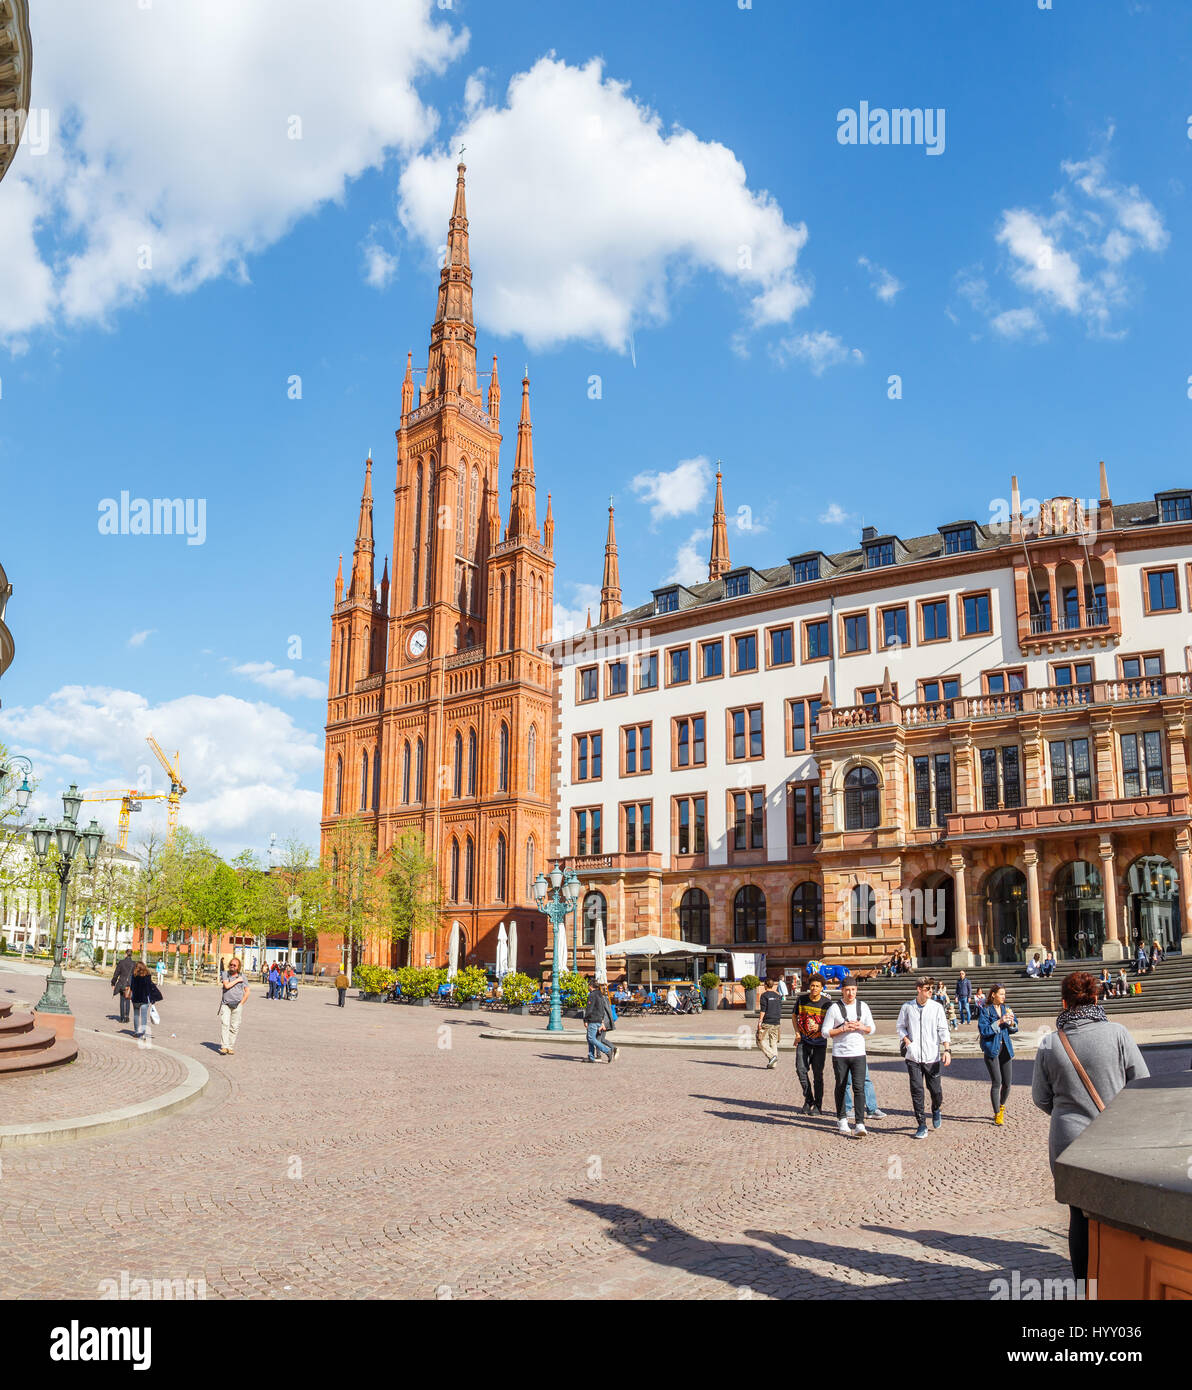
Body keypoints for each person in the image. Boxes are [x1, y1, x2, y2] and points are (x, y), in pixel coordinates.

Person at [1032, 970, 1149, 1283]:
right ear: (1096, 998)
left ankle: (1086, 1286)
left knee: (1078, 1214)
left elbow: (1040, 1098)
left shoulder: (1048, 1042)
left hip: (1067, 1141)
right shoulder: (1119, 1033)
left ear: (1063, 1002)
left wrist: (1067, 1114)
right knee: (1116, 1214)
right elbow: (1142, 1085)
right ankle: (1120, 1279)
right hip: (1113, 1138)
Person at [898, 976, 952, 1139]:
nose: (931, 991)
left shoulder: (936, 1007)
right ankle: (921, 1124)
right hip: (913, 1056)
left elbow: (943, 1029)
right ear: (919, 989)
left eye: (932, 989)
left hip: (932, 1057)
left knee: (936, 1091)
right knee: (917, 1090)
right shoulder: (907, 1007)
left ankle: (936, 1108)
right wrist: (906, 1039)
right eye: (927, 989)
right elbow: (900, 1026)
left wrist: (947, 1050)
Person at [822, 978, 876, 1137]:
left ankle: (860, 1123)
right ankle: (842, 1119)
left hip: (859, 1054)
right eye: (847, 990)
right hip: (840, 1054)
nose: (850, 993)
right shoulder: (834, 1008)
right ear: (842, 990)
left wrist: (862, 1027)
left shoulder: (863, 1006)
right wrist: (843, 1029)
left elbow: (872, 1028)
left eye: (853, 989)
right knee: (841, 1086)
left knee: (859, 1088)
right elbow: (825, 1032)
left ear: (856, 990)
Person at [978, 983, 1018, 1124]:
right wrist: (1000, 1021)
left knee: (1007, 1083)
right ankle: (996, 1114)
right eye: (1001, 994)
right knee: (997, 1082)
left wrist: (1012, 1022)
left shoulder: (1006, 1009)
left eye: (1004, 994)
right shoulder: (986, 1011)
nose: (1003, 997)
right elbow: (984, 1030)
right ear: (993, 994)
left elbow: (1015, 1028)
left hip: (1006, 1049)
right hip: (992, 1050)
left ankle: (1001, 1107)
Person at [792, 973, 831, 1113]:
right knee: (800, 1070)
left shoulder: (827, 1003)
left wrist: (819, 1028)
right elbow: (794, 1015)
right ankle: (808, 1099)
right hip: (804, 1041)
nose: (814, 988)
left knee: (817, 1074)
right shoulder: (801, 999)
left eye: (817, 986)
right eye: (812, 985)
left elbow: (831, 1024)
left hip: (820, 1043)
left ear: (822, 988)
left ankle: (818, 1105)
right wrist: (797, 1033)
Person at [217, 957, 249, 1055]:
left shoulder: (242, 976)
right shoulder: (225, 974)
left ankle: (230, 1047)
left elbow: (247, 991)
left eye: (234, 965)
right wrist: (237, 980)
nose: (232, 966)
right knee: (225, 1024)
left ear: (238, 967)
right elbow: (226, 986)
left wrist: (241, 1003)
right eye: (231, 964)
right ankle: (224, 1046)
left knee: (234, 1027)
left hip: (237, 1004)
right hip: (226, 1004)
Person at [583, 981, 618, 1063]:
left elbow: (589, 1009)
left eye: (588, 986)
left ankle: (607, 1050)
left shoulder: (592, 995)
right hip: (599, 1019)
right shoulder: (601, 995)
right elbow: (602, 1010)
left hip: (593, 1019)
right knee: (590, 1038)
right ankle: (591, 1057)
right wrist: (602, 1021)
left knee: (591, 1038)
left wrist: (585, 1020)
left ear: (591, 986)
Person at [127, 961, 161, 1040]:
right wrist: (152, 998)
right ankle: (143, 1033)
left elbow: (131, 987)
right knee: (144, 1017)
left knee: (136, 1015)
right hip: (144, 999)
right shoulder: (147, 976)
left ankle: (136, 1031)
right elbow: (149, 988)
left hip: (135, 999)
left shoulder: (134, 975)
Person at [755, 977, 783, 1069]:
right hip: (776, 1021)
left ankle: (772, 1056)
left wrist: (760, 1021)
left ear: (766, 985)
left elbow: (763, 1010)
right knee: (773, 1042)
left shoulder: (764, 995)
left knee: (759, 1040)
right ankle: (773, 1064)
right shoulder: (778, 995)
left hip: (767, 1021)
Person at [111, 949, 135, 1025]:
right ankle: (127, 1017)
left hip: (122, 983)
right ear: (131, 955)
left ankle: (122, 1018)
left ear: (125, 954)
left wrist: (113, 983)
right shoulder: (134, 963)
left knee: (122, 1000)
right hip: (129, 984)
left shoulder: (121, 962)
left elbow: (116, 973)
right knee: (127, 1000)